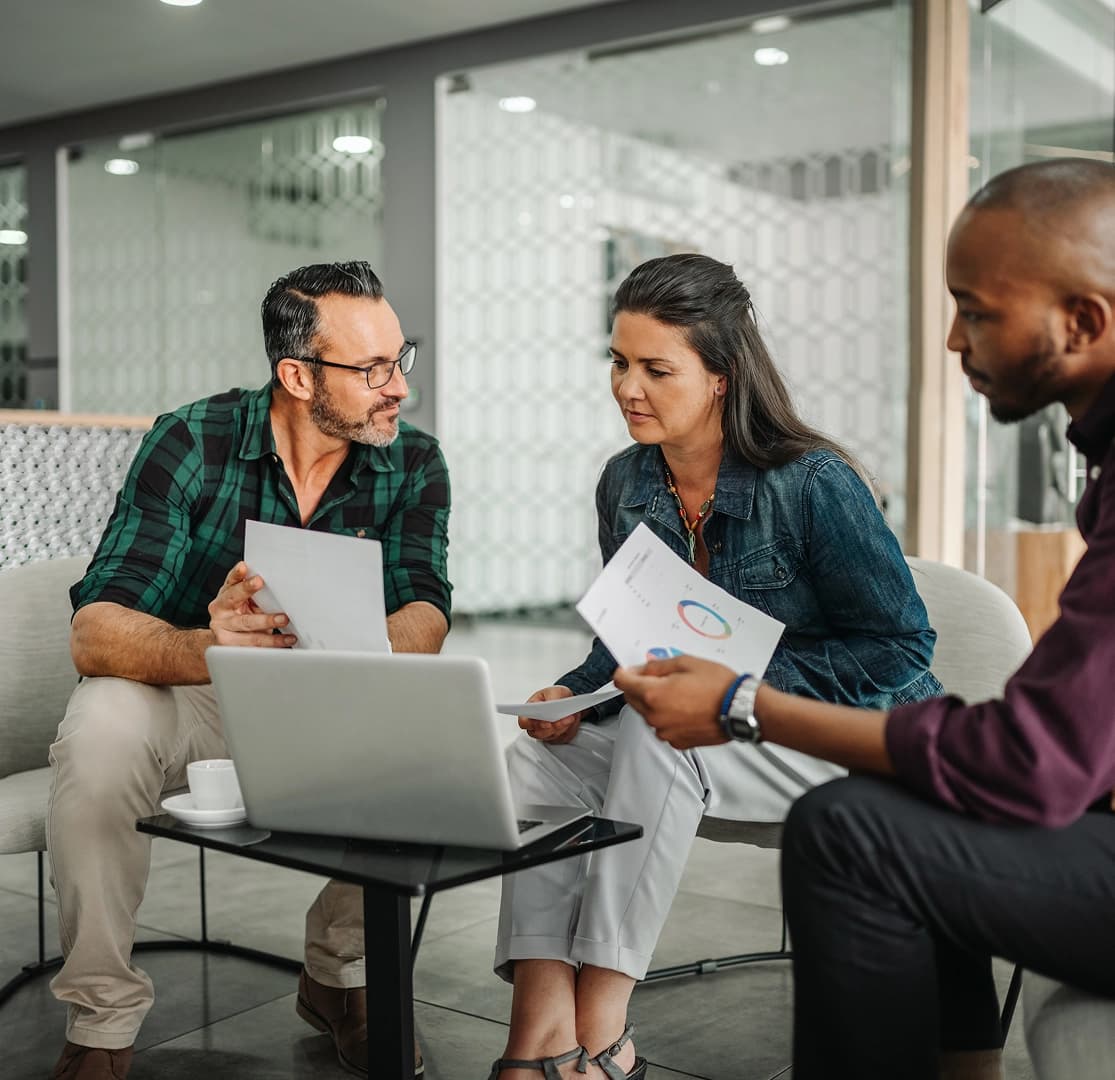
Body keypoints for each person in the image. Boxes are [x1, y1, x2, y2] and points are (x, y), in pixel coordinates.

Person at [614, 158, 1115, 1080]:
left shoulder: (808, 482)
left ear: (1082, 323)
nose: (955, 340)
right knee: (915, 797)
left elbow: (1030, 762)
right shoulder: (625, 480)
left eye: (977, 309)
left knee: (847, 833)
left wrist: (742, 705)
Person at [489, 253, 942, 1080]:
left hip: (839, 737)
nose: (628, 387)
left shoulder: (812, 482)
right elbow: (628, 632)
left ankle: (601, 1033)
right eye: (618, 363)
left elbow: (898, 649)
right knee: (541, 757)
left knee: (665, 744)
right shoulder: (624, 483)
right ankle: (538, 1032)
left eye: (657, 369)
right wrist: (574, 692)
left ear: (722, 377)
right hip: (716, 725)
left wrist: (737, 688)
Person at [47, 261, 451, 1080]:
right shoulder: (191, 440)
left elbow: (426, 609)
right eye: (370, 369)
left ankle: (341, 978)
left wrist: (355, 649)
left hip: (328, 696)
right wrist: (209, 645)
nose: (397, 388)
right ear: (297, 375)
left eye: (399, 359)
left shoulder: (414, 463)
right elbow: (96, 632)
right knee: (101, 727)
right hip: (199, 695)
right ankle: (101, 1023)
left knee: (421, 734)